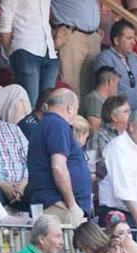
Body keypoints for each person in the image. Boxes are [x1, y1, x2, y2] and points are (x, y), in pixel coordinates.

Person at [27, 89, 92, 224]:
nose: (76, 114)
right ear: (70, 108)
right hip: (60, 206)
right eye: (76, 109)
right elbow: (58, 167)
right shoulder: (58, 124)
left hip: (57, 205)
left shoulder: (46, 124)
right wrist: (72, 205)